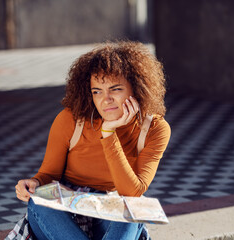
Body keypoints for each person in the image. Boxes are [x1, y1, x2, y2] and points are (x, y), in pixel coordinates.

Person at [15, 41, 171, 240]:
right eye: (97, 91)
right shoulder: (71, 119)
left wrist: (108, 132)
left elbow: (131, 192)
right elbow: (48, 174)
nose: (105, 99)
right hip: (66, 211)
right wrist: (33, 182)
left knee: (134, 208)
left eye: (115, 89)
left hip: (109, 210)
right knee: (39, 200)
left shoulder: (154, 129)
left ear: (137, 88)